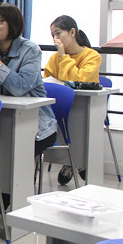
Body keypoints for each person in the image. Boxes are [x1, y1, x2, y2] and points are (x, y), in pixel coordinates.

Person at [0, 3, 57, 237]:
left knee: (5, 154)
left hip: (36, 126)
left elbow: (19, 88)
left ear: (13, 25)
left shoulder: (30, 50)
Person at [44, 15, 101, 184]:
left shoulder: (92, 56)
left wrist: (63, 56)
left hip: (84, 107)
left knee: (78, 124)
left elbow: (78, 79)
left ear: (72, 32)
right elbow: (48, 81)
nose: (55, 39)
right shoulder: (54, 58)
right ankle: (68, 161)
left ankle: (78, 161)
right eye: (52, 35)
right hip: (61, 107)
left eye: (58, 33)